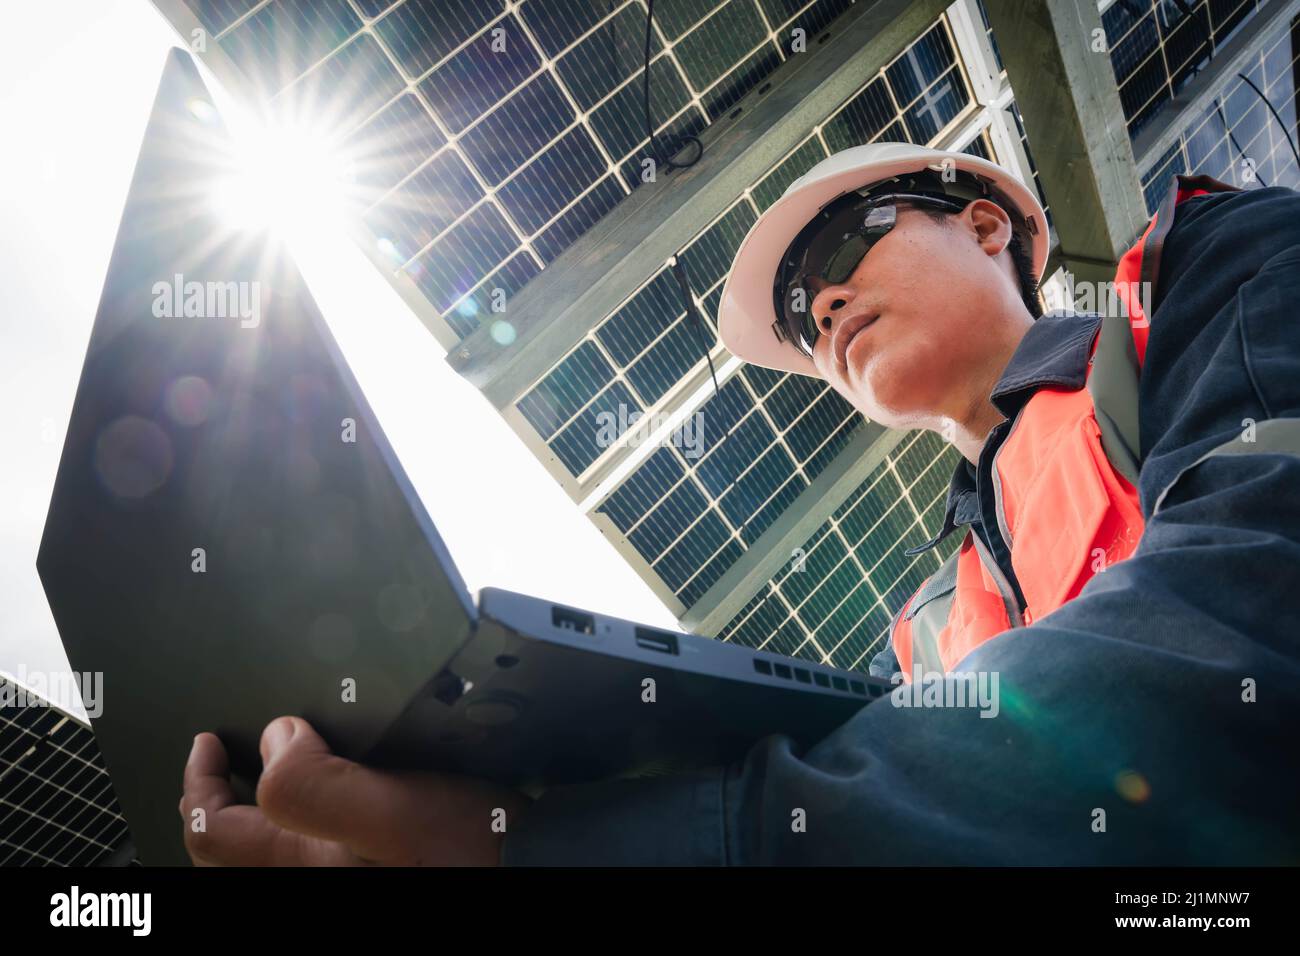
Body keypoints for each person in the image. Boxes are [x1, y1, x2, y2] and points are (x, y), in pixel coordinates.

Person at [180, 144, 1300, 865]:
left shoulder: (1203, 274)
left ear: (986, 225)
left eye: (842, 245)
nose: (822, 306)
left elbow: (1254, 601)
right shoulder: (923, 634)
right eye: (807, 321)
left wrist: (536, 849)